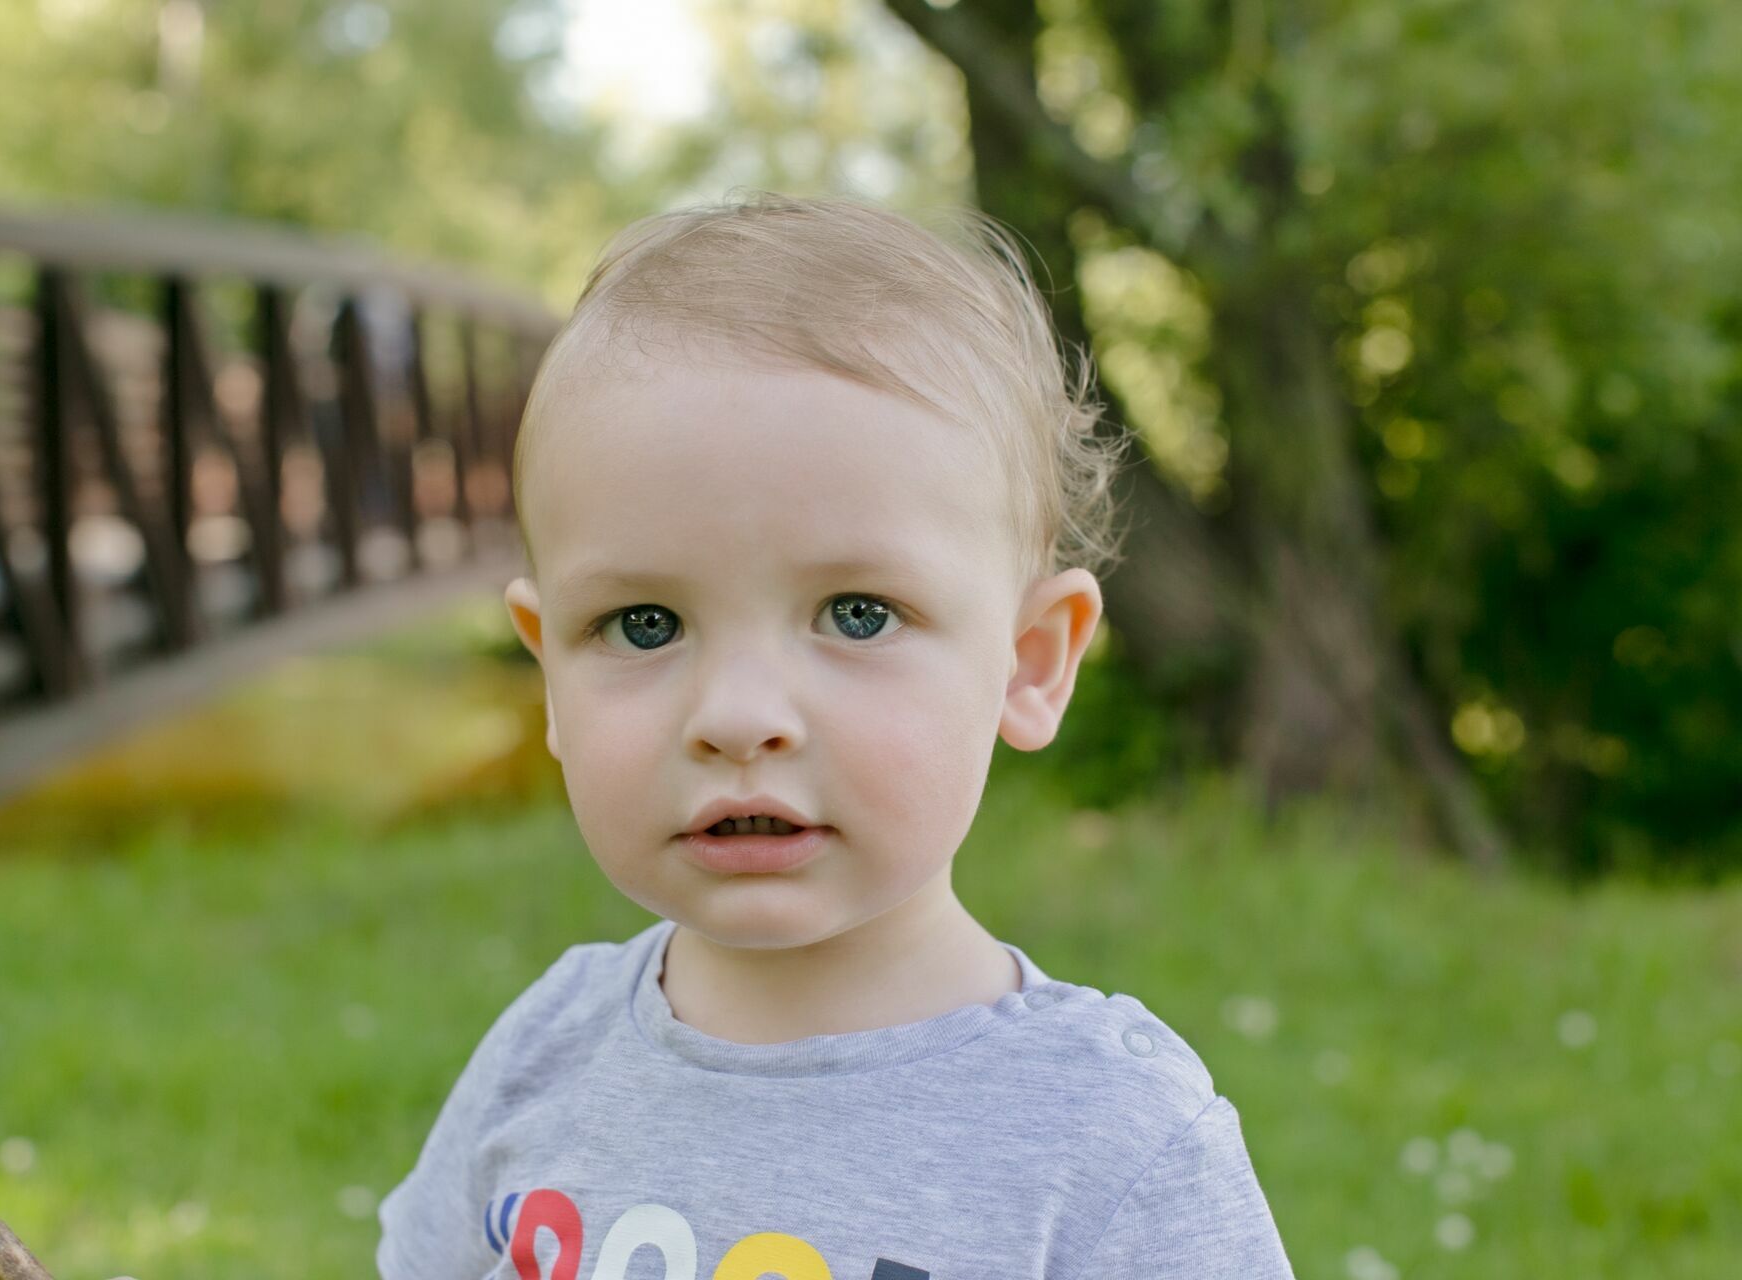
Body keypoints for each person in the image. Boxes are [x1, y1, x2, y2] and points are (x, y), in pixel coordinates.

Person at [375, 189, 1296, 1278]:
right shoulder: (547, 1049)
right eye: (643, 624)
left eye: (858, 613)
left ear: (1031, 660)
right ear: (549, 671)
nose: (738, 717)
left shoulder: (1108, 1138)